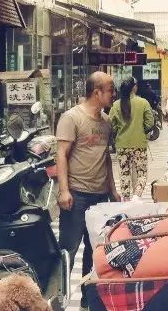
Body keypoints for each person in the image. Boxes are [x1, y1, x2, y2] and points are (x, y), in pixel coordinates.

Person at [56, 71, 119, 276]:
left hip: (100, 196)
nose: (114, 94)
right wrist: (64, 191)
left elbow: (106, 158)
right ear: (96, 93)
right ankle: (58, 298)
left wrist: (113, 190)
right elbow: (61, 155)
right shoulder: (72, 118)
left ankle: (88, 298)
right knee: (69, 249)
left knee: (96, 249)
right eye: (110, 90)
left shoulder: (107, 121)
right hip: (77, 195)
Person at [107, 76, 156, 200]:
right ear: (134, 87)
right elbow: (150, 123)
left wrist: (119, 131)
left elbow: (110, 125)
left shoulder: (116, 105)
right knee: (141, 173)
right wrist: (142, 131)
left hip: (122, 145)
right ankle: (137, 196)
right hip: (139, 144)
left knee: (124, 174)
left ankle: (126, 199)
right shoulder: (143, 102)